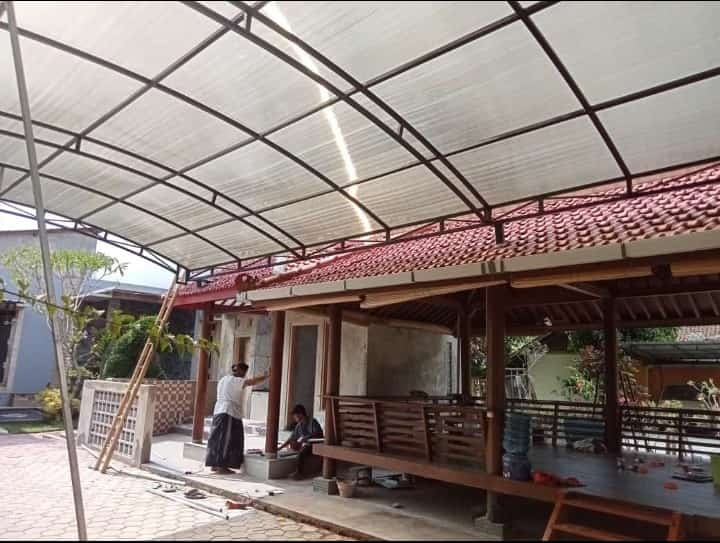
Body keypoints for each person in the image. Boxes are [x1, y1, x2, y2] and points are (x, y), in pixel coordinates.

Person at [205, 362, 269, 474]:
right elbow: (251, 382)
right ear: (241, 371)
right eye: (244, 372)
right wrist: (266, 376)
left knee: (216, 438)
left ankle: (214, 464)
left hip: (219, 411)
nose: (244, 375)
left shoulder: (224, 379)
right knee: (227, 439)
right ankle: (221, 466)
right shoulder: (236, 380)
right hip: (229, 412)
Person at [279, 404, 323, 479]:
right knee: (296, 447)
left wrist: (306, 438)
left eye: (295, 416)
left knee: (301, 453)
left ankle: (299, 473)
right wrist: (280, 448)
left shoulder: (313, 422)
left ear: (300, 414)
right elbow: (291, 438)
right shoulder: (299, 425)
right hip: (308, 445)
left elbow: (318, 434)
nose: (294, 418)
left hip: (317, 444)